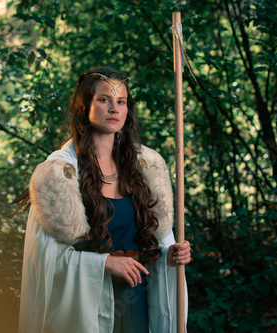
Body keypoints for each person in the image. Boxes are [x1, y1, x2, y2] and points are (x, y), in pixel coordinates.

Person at [18, 66, 191, 333]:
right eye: (104, 99)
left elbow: (152, 245)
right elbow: (45, 261)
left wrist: (170, 255)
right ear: (84, 105)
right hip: (88, 310)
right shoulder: (58, 175)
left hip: (139, 303)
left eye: (121, 101)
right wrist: (104, 264)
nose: (114, 108)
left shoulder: (146, 169)